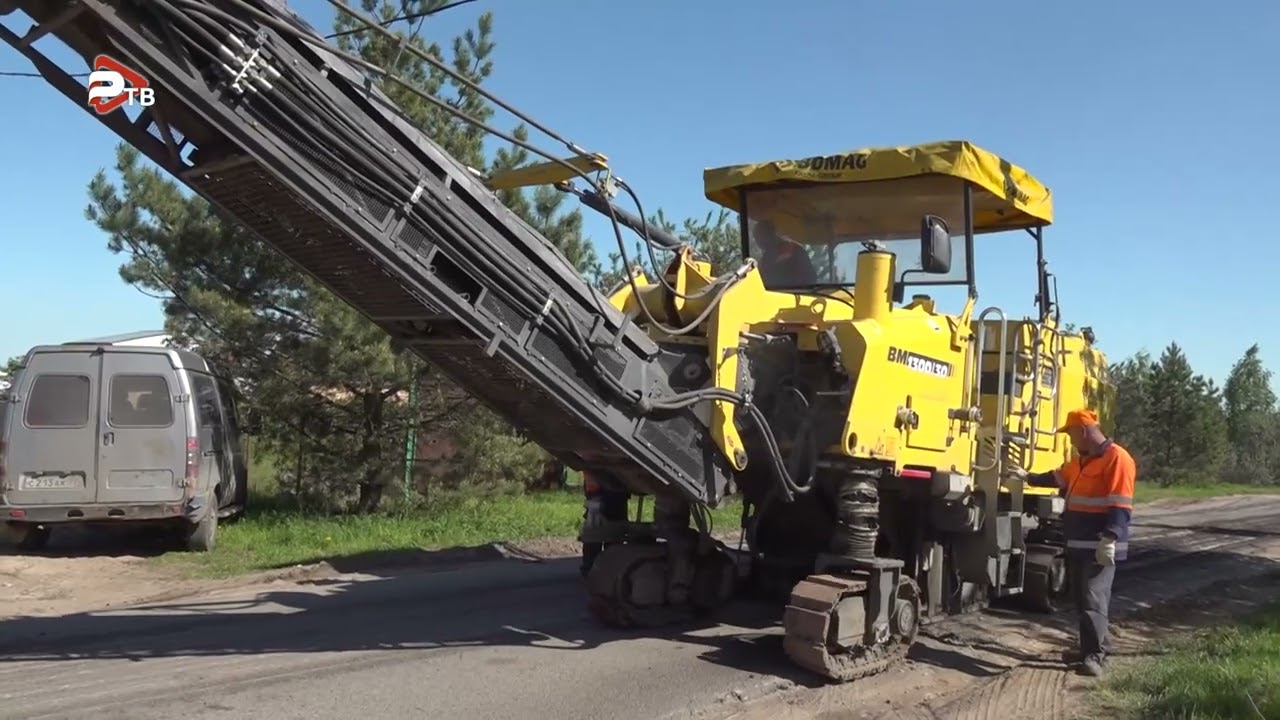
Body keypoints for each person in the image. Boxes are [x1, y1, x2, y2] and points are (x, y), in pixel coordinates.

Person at [1005, 408, 1136, 677]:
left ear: (1084, 431)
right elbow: (1056, 478)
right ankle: (1097, 648)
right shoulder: (1080, 461)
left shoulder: (1117, 459)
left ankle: (1094, 658)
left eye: (1072, 433)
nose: (1071, 439)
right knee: (1084, 601)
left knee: (1093, 601)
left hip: (1098, 546)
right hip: (1078, 543)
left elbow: (1121, 504)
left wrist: (1110, 538)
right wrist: (1026, 476)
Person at [753, 220, 818, 287]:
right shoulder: (764, 260)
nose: (758, 242)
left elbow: (811, 278)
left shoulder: (793, 250)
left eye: (760, 237)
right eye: (757, 238)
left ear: (771, 233)